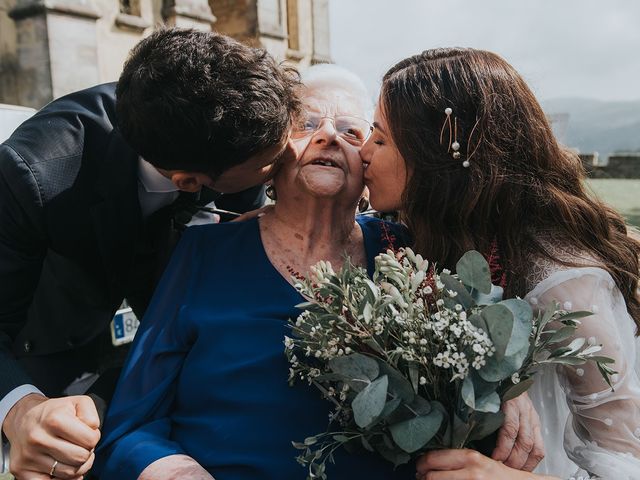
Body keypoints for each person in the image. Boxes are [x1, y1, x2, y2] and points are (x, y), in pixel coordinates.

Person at [94, 64, 544, 480]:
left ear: (371, 164)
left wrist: (504, 388)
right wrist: (175, 472)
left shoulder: (410, 253)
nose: (328, 136)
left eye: (352, 132)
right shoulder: (203, 252)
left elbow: (471, 362)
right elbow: (132, 424)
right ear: (268, 157)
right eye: (306, 125)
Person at [0, 27, 300, 479]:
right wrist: (21, 411)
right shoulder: (32, 175)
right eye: (270, 167)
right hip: (46, 341)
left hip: (146, 351)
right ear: (188, 181)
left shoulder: (234, 135)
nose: (286, 163)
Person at [360, 48, 640, 480]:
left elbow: (626, 460)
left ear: (438, 156)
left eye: (380, 139)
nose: (363, 151)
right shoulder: (432, 241)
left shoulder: (561, 281)